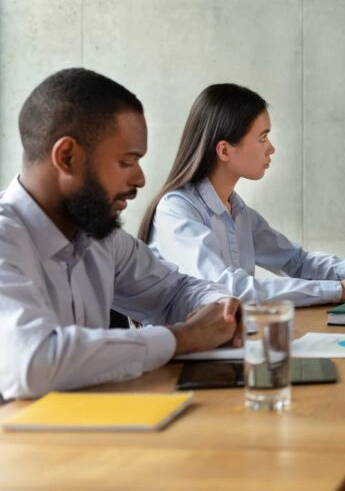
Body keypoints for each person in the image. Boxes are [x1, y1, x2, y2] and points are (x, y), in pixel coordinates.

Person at [0, 69, 242, 400]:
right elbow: (33, 363)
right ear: (67, 157)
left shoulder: (99, 235)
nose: (141, 180)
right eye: (127, 162)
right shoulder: (6, 239)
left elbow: (174, 290)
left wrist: (218, 308)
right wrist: (184, 338)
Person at [139, 84, 345, 305]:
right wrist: (341, 289)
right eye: (262, 138)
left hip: (226, 344)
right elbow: (229, 290)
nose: (271, 148)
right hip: (179, 356)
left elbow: (295, 261)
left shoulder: (238, 212)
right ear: (225, 151)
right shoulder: (176, 211)